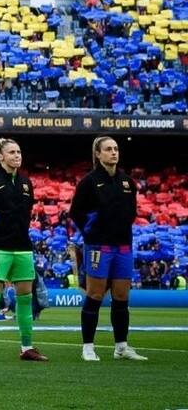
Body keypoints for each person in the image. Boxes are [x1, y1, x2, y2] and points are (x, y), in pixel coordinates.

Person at [0, 138, 47, 362]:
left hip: (22, 247)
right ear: (0, 156)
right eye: (12, 152)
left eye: (19, 152)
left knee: (25, 298)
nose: (17, 156)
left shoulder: (25, 183)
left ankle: (27, 348)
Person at [70, 136, 147, 362]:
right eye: (108, 149)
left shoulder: (127, 182)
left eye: (115, 149)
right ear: (98, 154)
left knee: (122, 296)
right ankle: (88, 347)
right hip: (98, 246)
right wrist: (91, 234)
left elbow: (131, 213)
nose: (113, 152)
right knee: (95, 295)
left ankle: (121, 347)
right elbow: (76, 213)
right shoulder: (89, 182)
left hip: (123, 245)